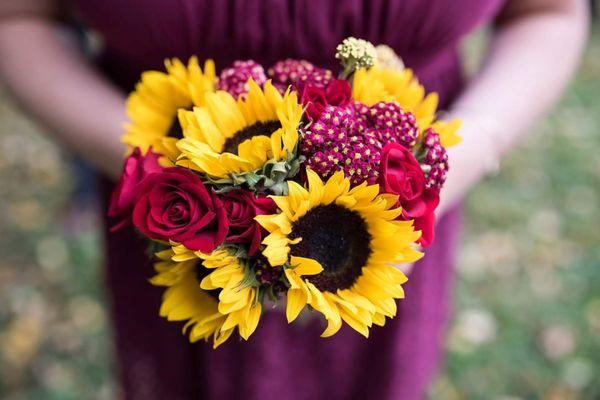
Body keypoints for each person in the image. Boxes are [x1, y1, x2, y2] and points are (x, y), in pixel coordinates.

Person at [0, 1, 588, 399]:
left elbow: (549, 9)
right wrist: (165, 175)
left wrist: (460, 154)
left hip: (399, 221)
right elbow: (19, 16)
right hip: (171, 228)